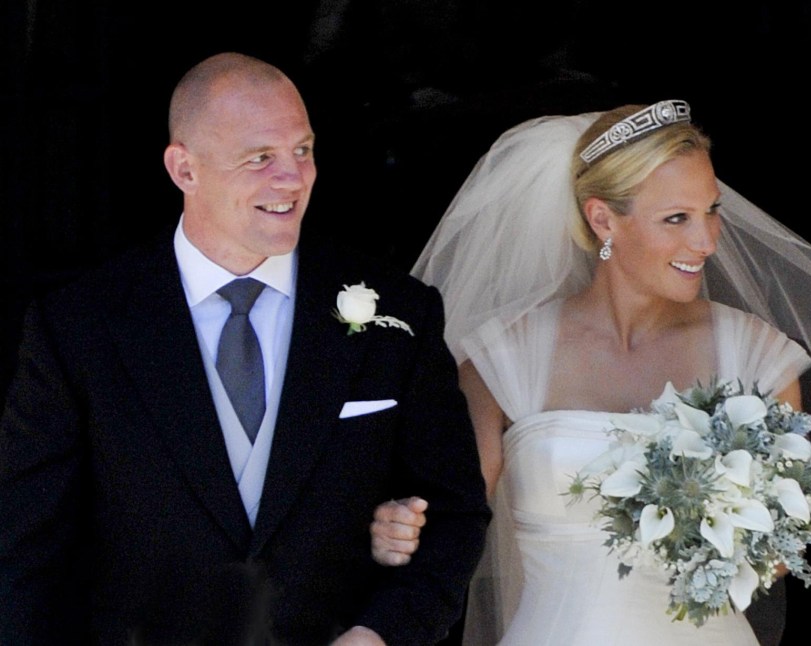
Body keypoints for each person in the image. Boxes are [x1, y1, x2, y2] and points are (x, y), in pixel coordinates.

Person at [0, 52, 490, 645]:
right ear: (185, 169)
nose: (293, 178)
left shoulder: (400, 313)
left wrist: (381, 634)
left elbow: (454, 512)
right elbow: (24, 548)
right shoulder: (79, 328)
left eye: (302, 150)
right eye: (260, 159)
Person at [370, 102, 811, 644]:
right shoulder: (505, 357)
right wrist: (399, 526)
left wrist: (728, 524)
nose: (707, 242)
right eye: (677, 219)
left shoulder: (756, 354)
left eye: (711, 210)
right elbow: (453, 517)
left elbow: (779, 555)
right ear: (602, 219)